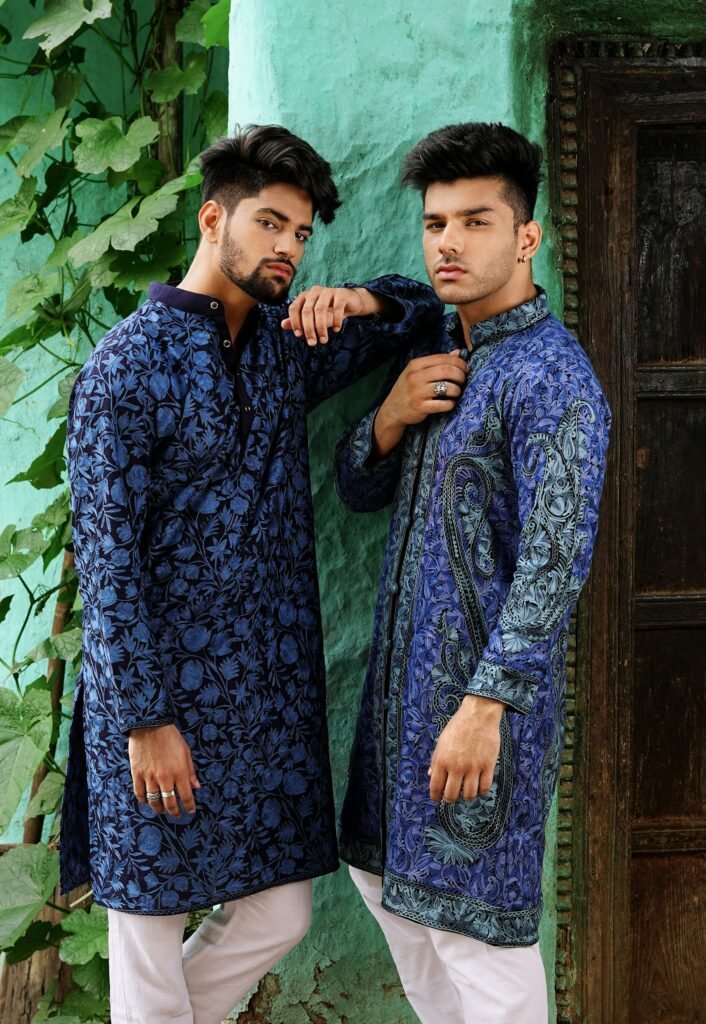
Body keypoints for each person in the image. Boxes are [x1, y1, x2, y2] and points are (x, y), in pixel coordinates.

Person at [61, 124, 443, 1024]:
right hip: (152, 708)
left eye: (301, 234)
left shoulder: (282, 347)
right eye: (270, 223)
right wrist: (146, 722)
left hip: (261, 709)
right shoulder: (124, 371)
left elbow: (423, 309)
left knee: (281, 911)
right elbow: (108, 570)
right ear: (212, 220)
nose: (287, 249)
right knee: (148, 929)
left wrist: (356, 298)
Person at [335, 122, 611, 1024]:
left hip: (477, 715)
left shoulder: (551, 379)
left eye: (475, 222)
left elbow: (555, 561)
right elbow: (357, 488)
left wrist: (486, 707)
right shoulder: (437, 345)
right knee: (384, 884)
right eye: (435, 223)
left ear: (528, 237)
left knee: (479, 941)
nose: (448, 242)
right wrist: (388, 417)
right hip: (397, 711)